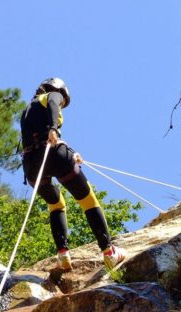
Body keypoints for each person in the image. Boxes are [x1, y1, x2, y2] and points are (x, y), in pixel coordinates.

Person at [20, 77, 126, 271]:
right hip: (53, 153)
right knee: (88, 200)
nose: (61, 104)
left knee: (56, 204)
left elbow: (35, 137)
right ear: (58, 89)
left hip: (31, 166)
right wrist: (53, 128)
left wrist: (71, 151)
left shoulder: (27, 110)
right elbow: (53, 104)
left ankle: (63, 254)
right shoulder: (51, 95)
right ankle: (109, 252)